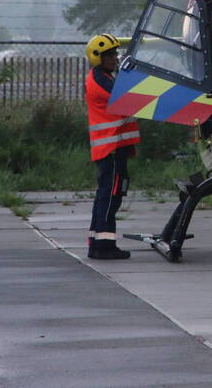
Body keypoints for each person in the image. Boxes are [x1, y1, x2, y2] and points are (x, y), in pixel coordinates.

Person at [84, 33, 140, 260]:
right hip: (111, 148)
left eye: (115, 54)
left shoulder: (104, 76)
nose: (115, 58)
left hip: (114, 147)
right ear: (98, 58)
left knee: (109, 195)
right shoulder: (101, 80)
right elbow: (125, 96)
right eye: (110, 55)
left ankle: (97, 242)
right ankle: (104, 246)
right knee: (110, 196)